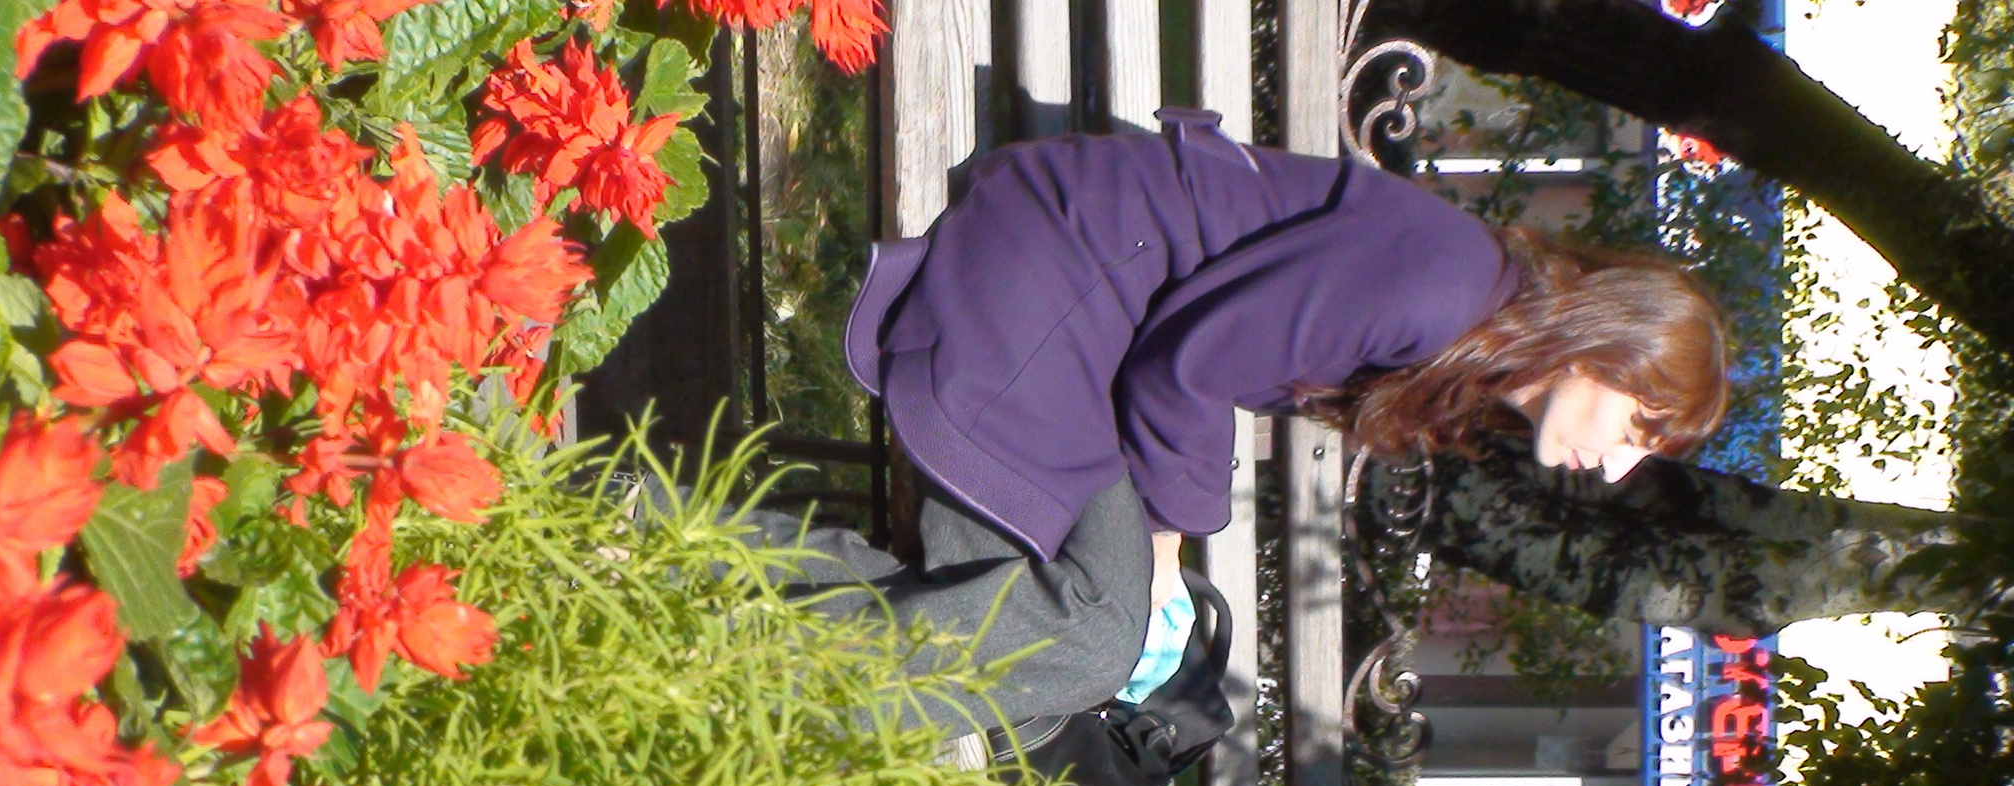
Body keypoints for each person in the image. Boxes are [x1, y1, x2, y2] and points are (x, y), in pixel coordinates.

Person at [737, 114, 1730, 730]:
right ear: (1613, 345)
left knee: (1043, 671)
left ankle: (665, 555)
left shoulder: (1463, 319)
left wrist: (1162, 560)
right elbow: (1191, 365)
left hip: (1088, 333)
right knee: (1083, 643)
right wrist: (1168, 555)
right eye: (1640, 426)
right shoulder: (1443, 289)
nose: (1612, 469)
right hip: (1046, 286)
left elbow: (1191, 360)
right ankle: (723, 658)